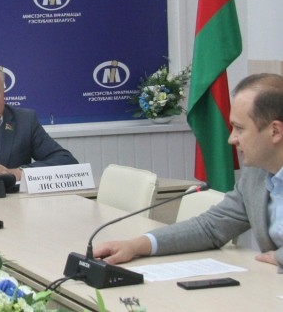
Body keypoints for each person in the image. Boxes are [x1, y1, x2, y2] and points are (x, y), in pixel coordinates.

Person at [94, 73, 283, 268]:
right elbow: (211, 227)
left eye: (239, 129)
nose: (232, 139)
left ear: (275, 131)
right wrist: (135, 246)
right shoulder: (256, 174)